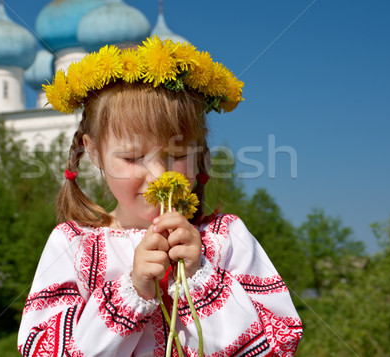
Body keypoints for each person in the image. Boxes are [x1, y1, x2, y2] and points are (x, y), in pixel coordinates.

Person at [18, 37, 303, 357]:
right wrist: (132, 293)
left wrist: (200, 277)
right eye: (132, 158)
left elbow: (279, 345)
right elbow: (40, 349)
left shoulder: (225, 239)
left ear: (199, 151)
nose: (157, 176)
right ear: (94, 151)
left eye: (177, 154)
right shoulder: (74, 245)